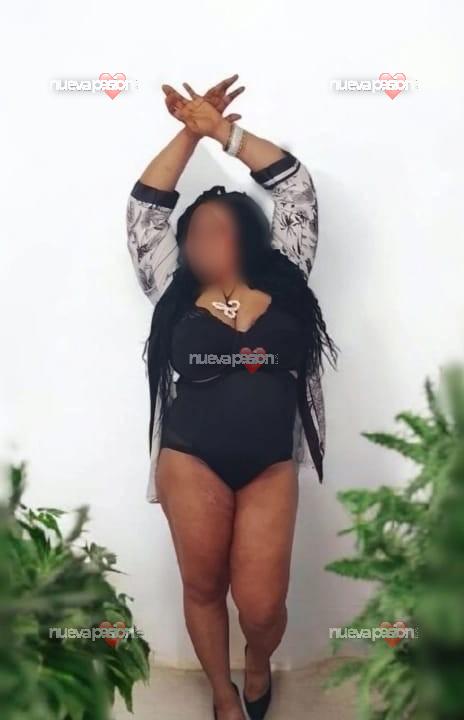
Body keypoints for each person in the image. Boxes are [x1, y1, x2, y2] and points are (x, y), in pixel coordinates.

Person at [126, 74, 337, 720]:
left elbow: (295, 188)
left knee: (263, 605)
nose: (204, 241)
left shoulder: (289, 272)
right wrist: (187, 135)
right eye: (195, 232)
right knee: (203, 585)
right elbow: (145, 210)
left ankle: (258, 660)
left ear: (250, 234)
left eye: (220, 228)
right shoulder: (171, 283)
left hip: (269, 462)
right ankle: (223, 693)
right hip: (190, 457)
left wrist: (221, 131)